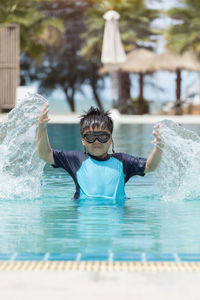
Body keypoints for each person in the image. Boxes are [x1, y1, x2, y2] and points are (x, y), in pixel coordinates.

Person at [36, 103, 162, 202]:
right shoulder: (76, 159)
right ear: (83, 141)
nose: (97, 141)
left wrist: (158, 147)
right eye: (91, 137)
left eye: (103, 136)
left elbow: (149, 166)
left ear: (111, 140)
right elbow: (45, 154)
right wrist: (41, 128)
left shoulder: (122, 161)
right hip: (84, 214)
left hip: (116, 216)